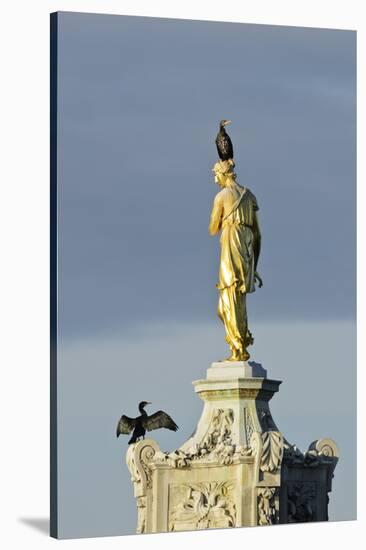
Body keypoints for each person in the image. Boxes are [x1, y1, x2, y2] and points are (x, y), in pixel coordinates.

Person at [209, 159, 263, 361]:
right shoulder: (250, 196)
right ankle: (239, 343)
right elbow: (258, 235)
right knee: (237, 299)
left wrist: (224, 219)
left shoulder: (222, 196)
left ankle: (238, 347)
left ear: (223, 174)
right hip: (247, 250)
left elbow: (213, 228)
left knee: (228, 300)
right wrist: (255, 266)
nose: (215, 180)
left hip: (231, 243)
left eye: (216, 174)